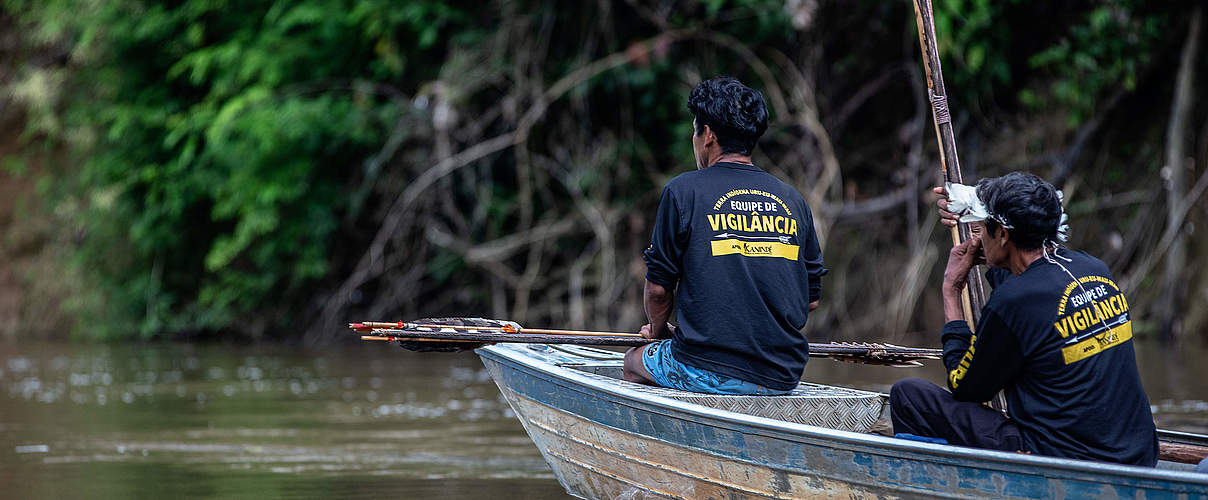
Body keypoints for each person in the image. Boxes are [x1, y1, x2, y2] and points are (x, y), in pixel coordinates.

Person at [890, 172, 1158, 466]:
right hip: (1139, 455)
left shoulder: (1012, 302)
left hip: (1064, 460)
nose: (979, 235)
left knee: (908, 396)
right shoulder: (1094, 268)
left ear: (1003, 234)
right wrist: (981, 224)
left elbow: (965, 386)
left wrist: (952, 290)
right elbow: (1028, 284)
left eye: (984, 229)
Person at [621, 76, 827, 395]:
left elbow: (659, 291)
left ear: (709, 136)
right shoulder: (792, 200)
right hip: (784, 374)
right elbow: (811, 300)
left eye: (695, 130)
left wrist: (658, 332)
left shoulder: (682, 191)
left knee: (634, 362)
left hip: (705, 366)